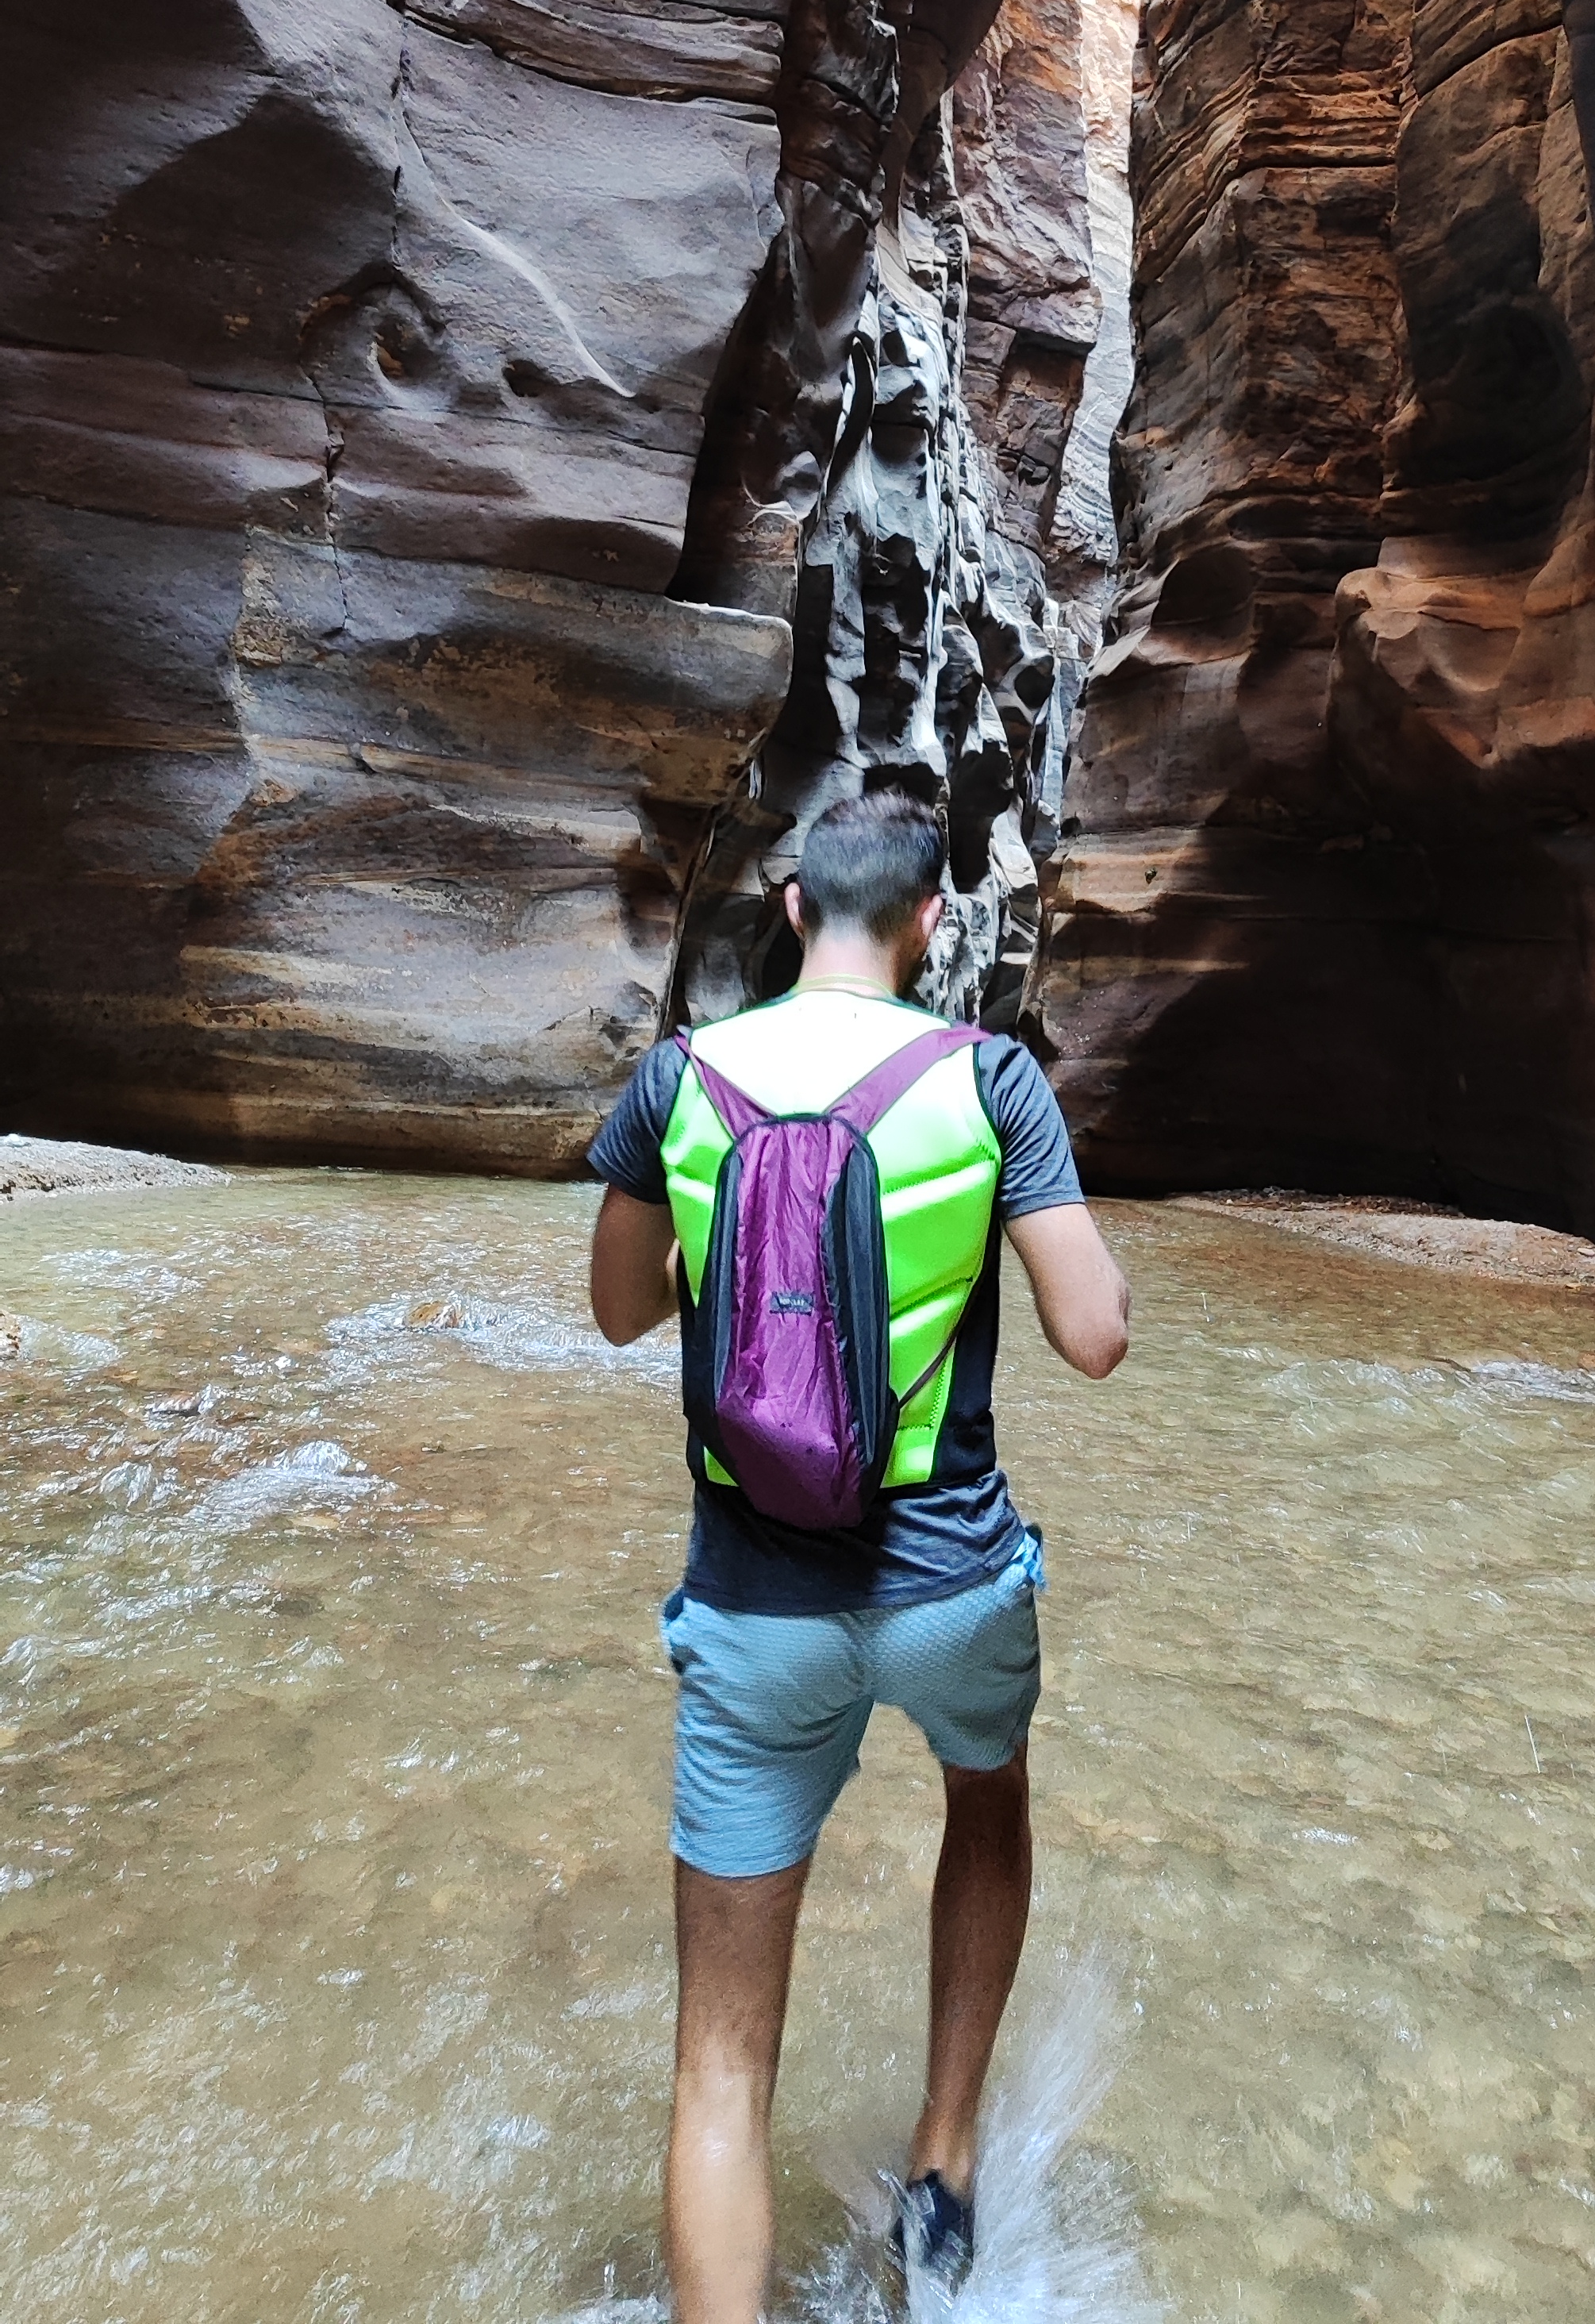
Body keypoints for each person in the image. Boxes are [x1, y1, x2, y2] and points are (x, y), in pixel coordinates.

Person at [586, 789, 1129, 2324]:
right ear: (933, 924)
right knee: (988, 1794)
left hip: (756, 1607)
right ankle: (945, 2155)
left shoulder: (681, 1075)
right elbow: (1093, 1337)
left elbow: (621, 1312)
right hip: (951, 1585)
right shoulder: (990, 1077)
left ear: (787, 910)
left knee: (719, 2062)